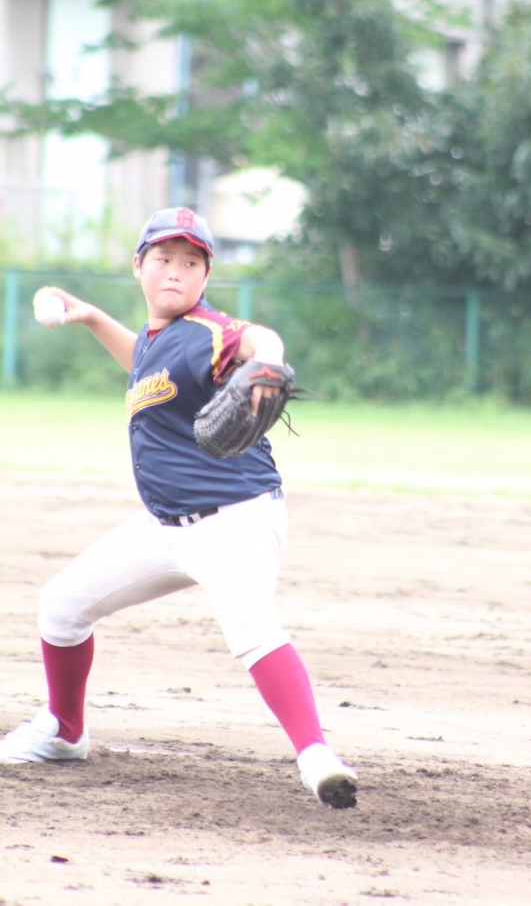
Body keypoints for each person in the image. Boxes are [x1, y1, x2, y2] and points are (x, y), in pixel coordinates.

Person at [0, 207, 357, 810]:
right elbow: (142, 360)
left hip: (235, 519)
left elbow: (256, 337)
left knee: (251, 631)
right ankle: (64, 732)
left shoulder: (208, 331)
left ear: (206, 276)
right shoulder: (158, 341)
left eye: (191, 262)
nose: (175, 271)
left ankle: (316, 757)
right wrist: (91, 317)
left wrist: (268, 363)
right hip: (165, 525)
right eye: (163, 258)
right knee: (60, 608)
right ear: (138, 266)